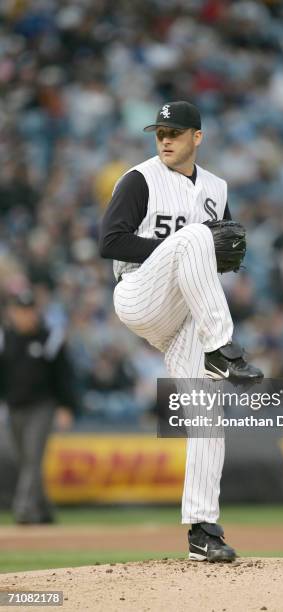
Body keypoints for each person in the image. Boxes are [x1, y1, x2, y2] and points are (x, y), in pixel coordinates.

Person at [99, 100, 263, 562]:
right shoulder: (140, 178)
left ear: (198, 137)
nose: (165, 139)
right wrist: (181, 247)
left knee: (207, 413)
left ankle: (202, 530)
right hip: (138, 291)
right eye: (159, 132)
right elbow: (110, 241)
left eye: (175, 131)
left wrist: (228, 258)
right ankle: (221, 349)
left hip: (184, 316)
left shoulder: (216, 187)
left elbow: (220, 258)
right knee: (194, 236)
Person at [0, 289, 78, 524]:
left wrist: (66, 406)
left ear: (36, 312)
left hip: (42, 407)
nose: (24, 316)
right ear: (12, 313)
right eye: (19, 311)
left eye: (28, 310)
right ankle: (43, 510)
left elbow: (64, 376)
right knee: (22, 459)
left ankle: (23, 509)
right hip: (14, 407)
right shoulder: (5, 339)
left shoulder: (50, 338)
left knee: (33, 458)